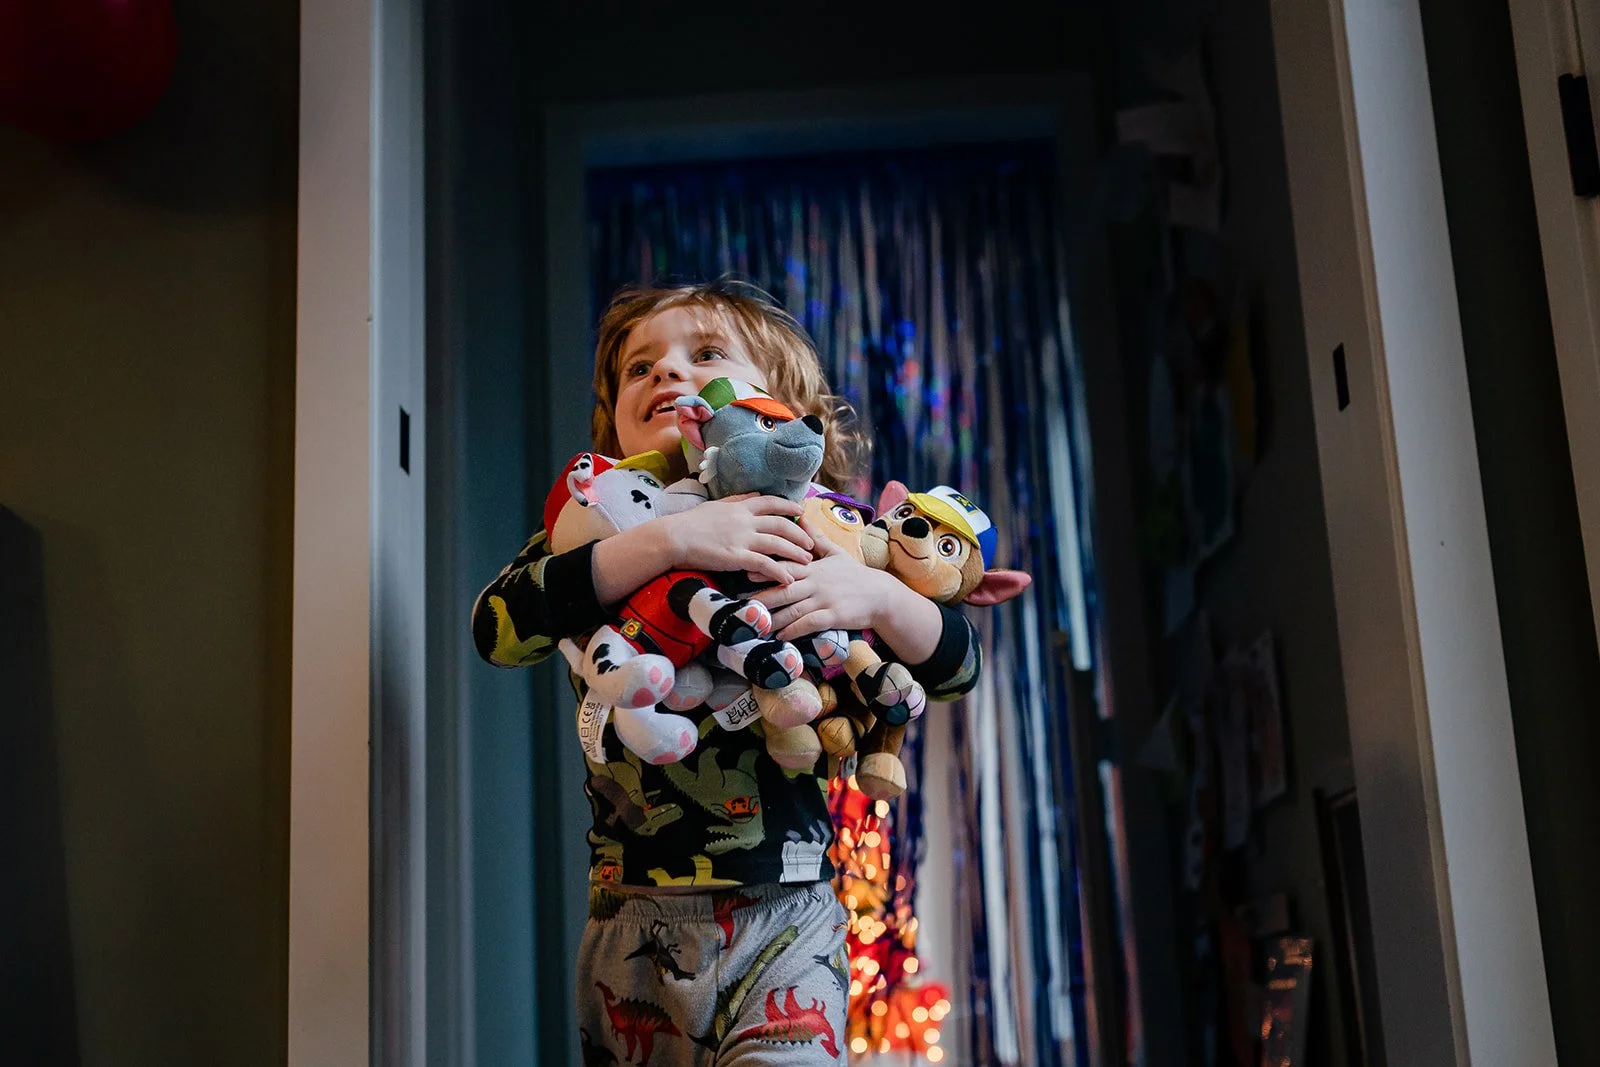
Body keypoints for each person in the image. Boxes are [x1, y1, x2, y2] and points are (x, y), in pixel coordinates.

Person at [472, 279, 981, 1065]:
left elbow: (956, 667)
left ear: (781, 405)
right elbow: (497, 626)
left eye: (704, 355)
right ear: (613, 416)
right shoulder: (600, 524)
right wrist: (672, 541)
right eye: (638, 368)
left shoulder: (820, 524)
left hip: (786, 913)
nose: (666, 374)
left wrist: (876, 594)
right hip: (629, 921)